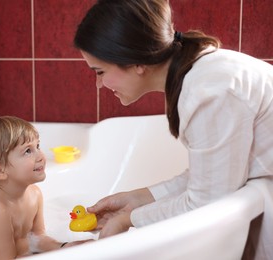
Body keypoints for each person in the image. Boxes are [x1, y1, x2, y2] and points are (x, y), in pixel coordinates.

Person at [74, 0, 273, 258]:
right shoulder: (199, 77)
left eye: (100, 72)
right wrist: (138, 199)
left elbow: (208, 203)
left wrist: (129, 220)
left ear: (136, 62)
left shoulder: (210, 91)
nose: (99, 84)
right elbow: (212, 176)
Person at [0, 116, 82, 259]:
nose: (41, 156)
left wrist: (64, 247)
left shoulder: (34, 195)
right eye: (27, 151)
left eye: (37, 146)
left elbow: (38, 238)